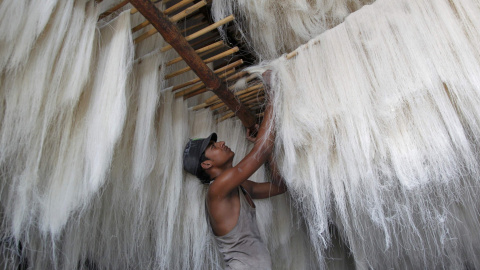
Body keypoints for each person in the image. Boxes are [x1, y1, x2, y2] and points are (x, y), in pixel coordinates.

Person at [183, 91, 287, 269]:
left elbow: (280, 186)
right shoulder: (218, 189)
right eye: (213, 146)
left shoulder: (239, 187)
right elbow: (261, 150)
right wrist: (272, 93)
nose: (221, 142)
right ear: (207, 164)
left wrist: (267, 151)